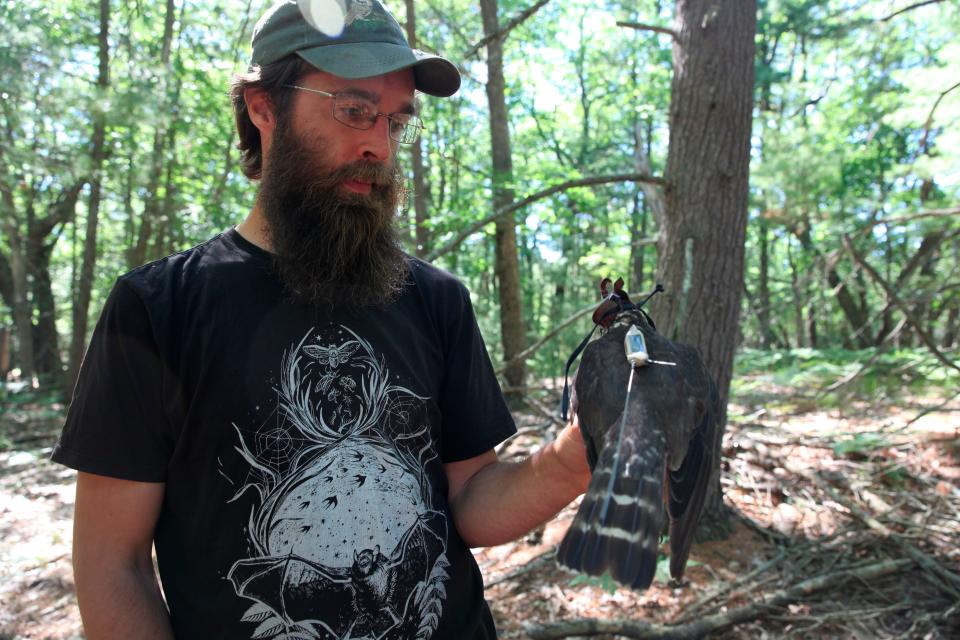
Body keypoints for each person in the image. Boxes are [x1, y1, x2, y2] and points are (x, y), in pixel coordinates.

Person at [52, 1, 590, 638]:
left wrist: (575, 459)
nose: (377, 145)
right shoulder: (158, 309)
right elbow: (113, 566)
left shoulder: (436, 300)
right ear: (263, 106)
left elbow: (469, 501)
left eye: (395, 122)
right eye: (354, 110)